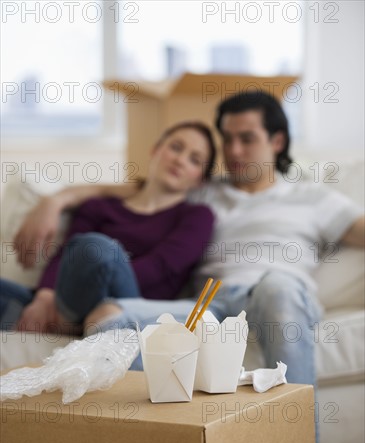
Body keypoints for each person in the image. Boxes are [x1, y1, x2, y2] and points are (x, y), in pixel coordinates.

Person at [9, 91, 365, 386]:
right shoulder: (204, 193)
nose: (234, 151)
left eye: (247, 139)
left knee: (278, 288)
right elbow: (136, 190)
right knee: (109, 315)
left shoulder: (314, 197)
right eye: (227, 139)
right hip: (207, 304)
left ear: (277, 141)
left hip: (276, 292)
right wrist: (56, 199)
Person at [0, 121, 216, 334]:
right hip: (69, 297)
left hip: (126, 306)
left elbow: (159, 268)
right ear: (156, 150)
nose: (180, 160)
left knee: (96, 248)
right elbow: (66, 255)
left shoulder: (197, 217)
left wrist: (103, 268)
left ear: (200, 181)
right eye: (176, 147)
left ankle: (66, 320)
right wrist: (44, 297)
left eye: (194, 160)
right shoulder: (99, 206)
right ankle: (61, 320)